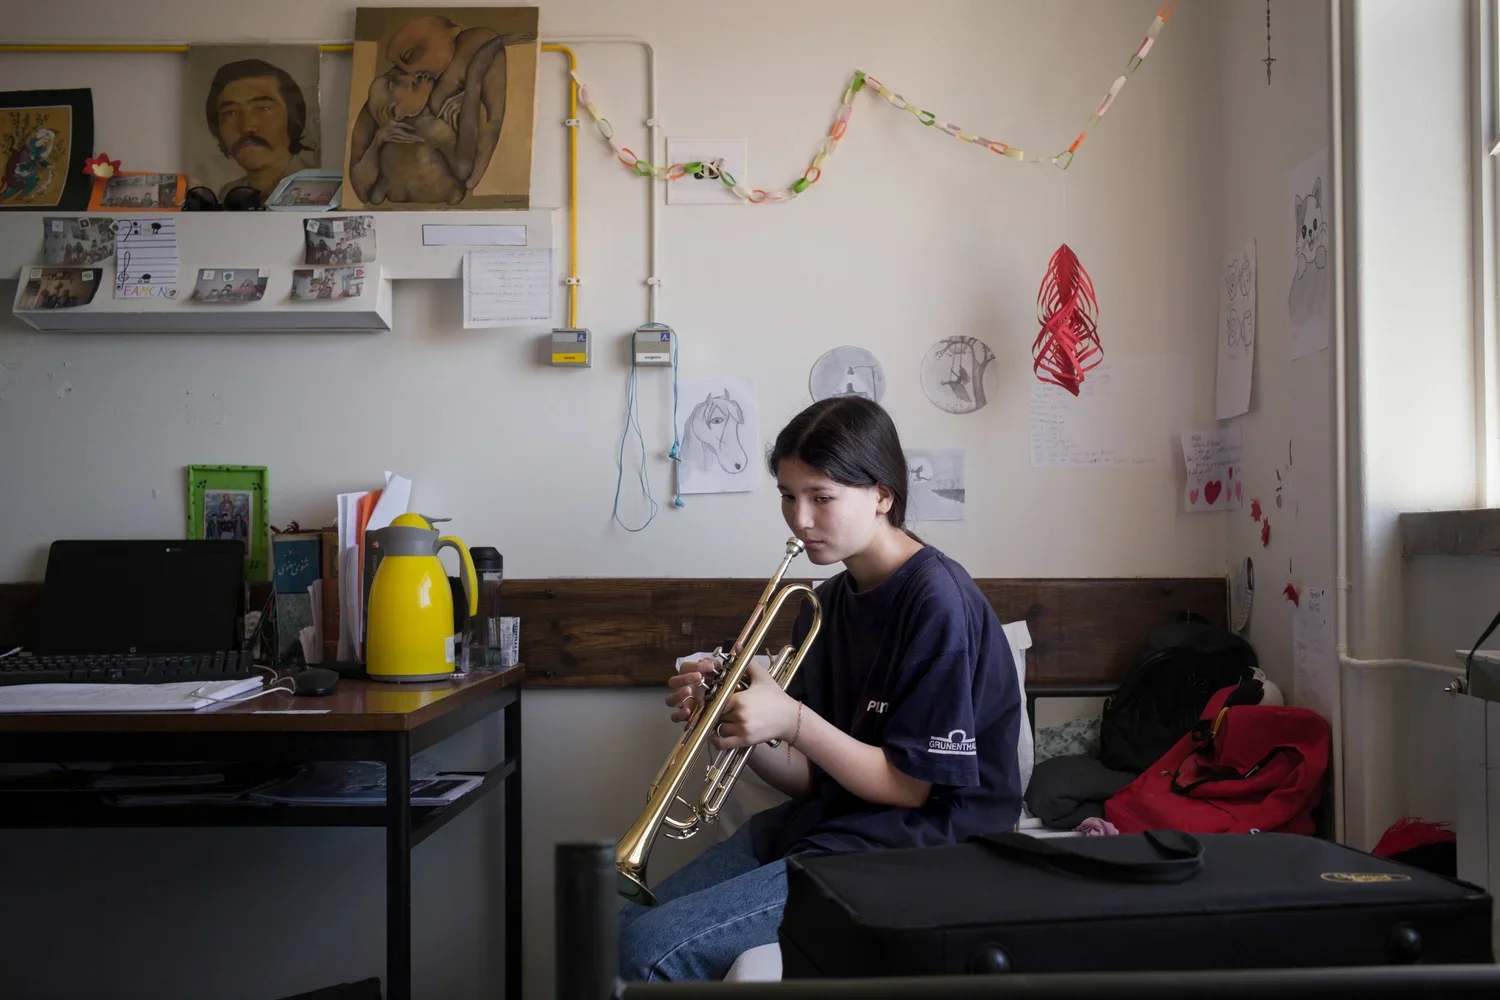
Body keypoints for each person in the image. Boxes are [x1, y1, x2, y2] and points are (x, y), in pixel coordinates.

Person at [618, 395, 1023, 982]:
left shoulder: (938, 600)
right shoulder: (826, 602)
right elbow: (810, 776)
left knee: (649, 952)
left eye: (822, 498)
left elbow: (910, 790)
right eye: (787, 495)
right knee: (624, 925)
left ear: (883, 496)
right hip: (829, 825)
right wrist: (734, 721)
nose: (799, 519)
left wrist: (791, 719)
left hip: (922, 847)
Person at [203, 58, 314, 201]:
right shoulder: (228, 195)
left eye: (263, 108)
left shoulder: (317, 190)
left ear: (293, 116)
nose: (247, 127)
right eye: (231, 113)